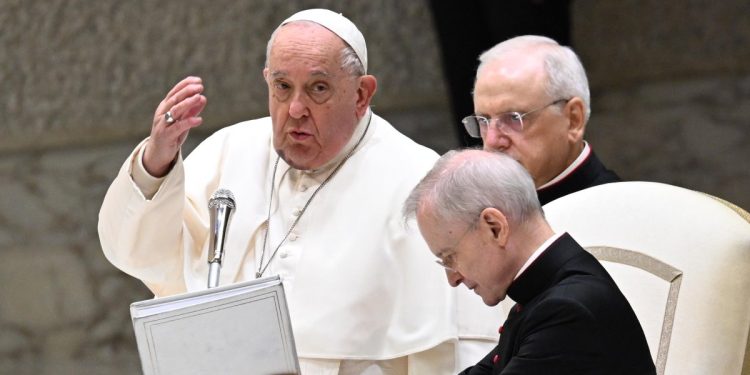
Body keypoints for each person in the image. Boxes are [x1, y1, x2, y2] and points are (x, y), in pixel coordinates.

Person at [98, 8, 499, 374]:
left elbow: (457, 342)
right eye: (283, 86)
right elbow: (138, 253)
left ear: (361, 95)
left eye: (318, 88)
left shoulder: (420, 178)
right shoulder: (229, 150)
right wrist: (157, 163)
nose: (295, 109)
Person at [403, 149, 656, 374]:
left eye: (450, 257)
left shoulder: (567, 311)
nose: (453, 278)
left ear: (494, 227)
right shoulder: (545, 295)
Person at [462, 35, 619, 205]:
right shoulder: (480, 211)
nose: (491, 142)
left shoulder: (619, 214)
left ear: (573, 119)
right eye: (484, 120)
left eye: (513, 118)